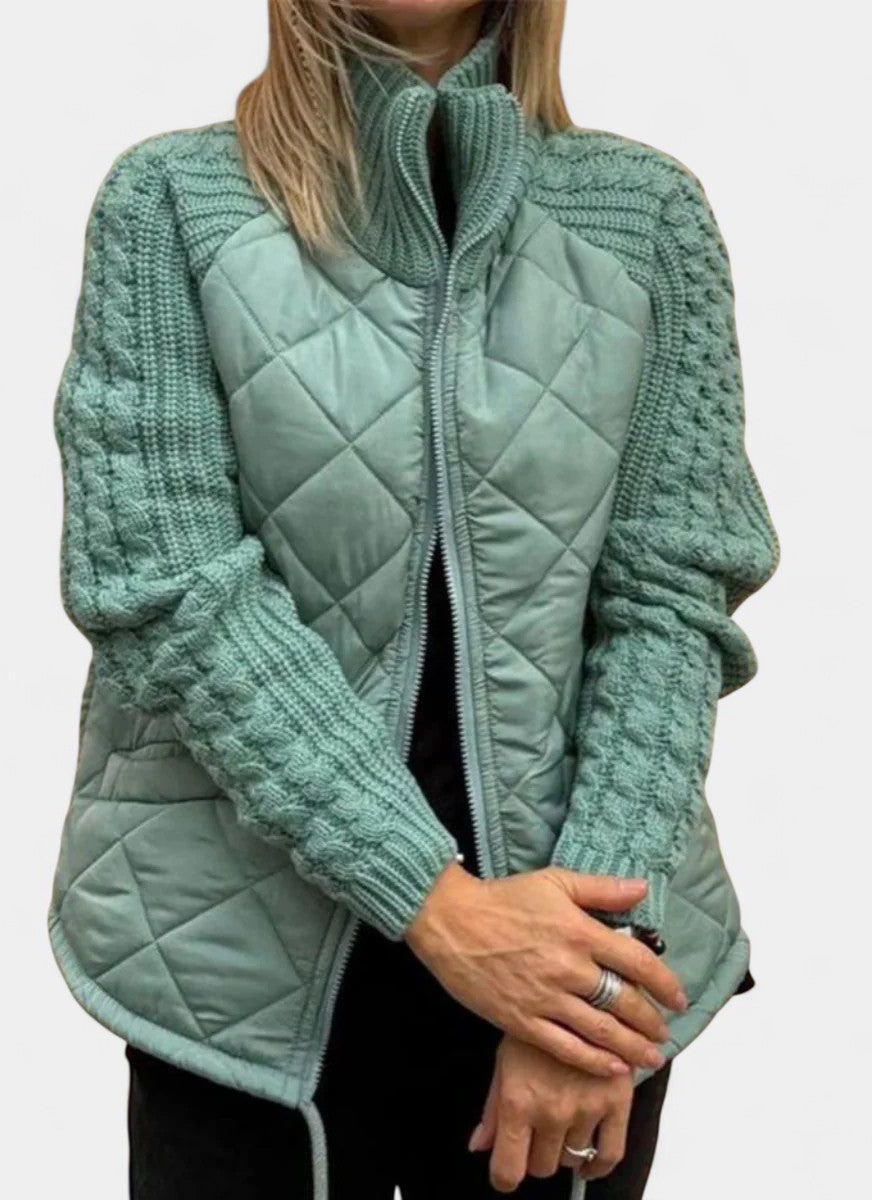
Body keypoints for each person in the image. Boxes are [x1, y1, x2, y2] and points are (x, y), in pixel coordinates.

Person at [46, 2, 780, 1197]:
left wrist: (584, 986)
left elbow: (670, 598)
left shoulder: (646, 217)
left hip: (573, 970)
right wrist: (442, 911)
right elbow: (167, 588)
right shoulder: (174, 204)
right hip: (237, 971)